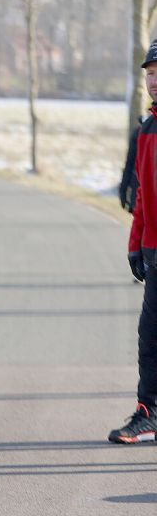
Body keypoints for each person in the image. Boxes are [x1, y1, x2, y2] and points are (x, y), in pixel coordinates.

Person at [110, 39, 157, 444]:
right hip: (154, 251)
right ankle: (149, 412)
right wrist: (134, 243)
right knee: (150, 336)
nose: (154, 81)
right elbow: (143, 192)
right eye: (150, 75)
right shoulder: (147, 129)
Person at [120, 123, 142, 213]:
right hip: (139, 197)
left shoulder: (142, 130)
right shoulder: (141, 131)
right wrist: (123, 189)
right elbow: (130, 163)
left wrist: (123, 189)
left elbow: (129, 163)